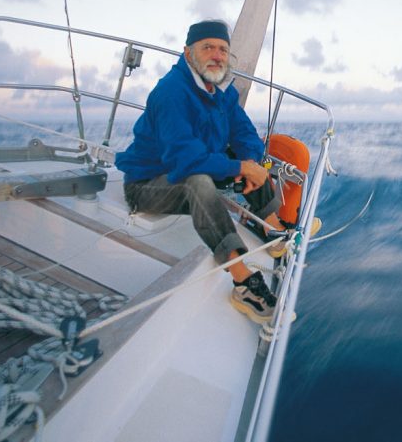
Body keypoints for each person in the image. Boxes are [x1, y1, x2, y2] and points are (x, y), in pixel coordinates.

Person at [115, 19, 288, 324]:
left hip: (190, 167)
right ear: (187, 52)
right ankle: (243, 284)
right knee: (199, 181)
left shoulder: (221, 90)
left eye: (223, 49)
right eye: (208, 47)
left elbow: (245, 134)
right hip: (148, 185)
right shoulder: (171, 93)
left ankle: (273, 230)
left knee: (252, 160)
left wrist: (251, 166)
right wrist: (238, 167)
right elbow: (185, 161)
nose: (217, 55)